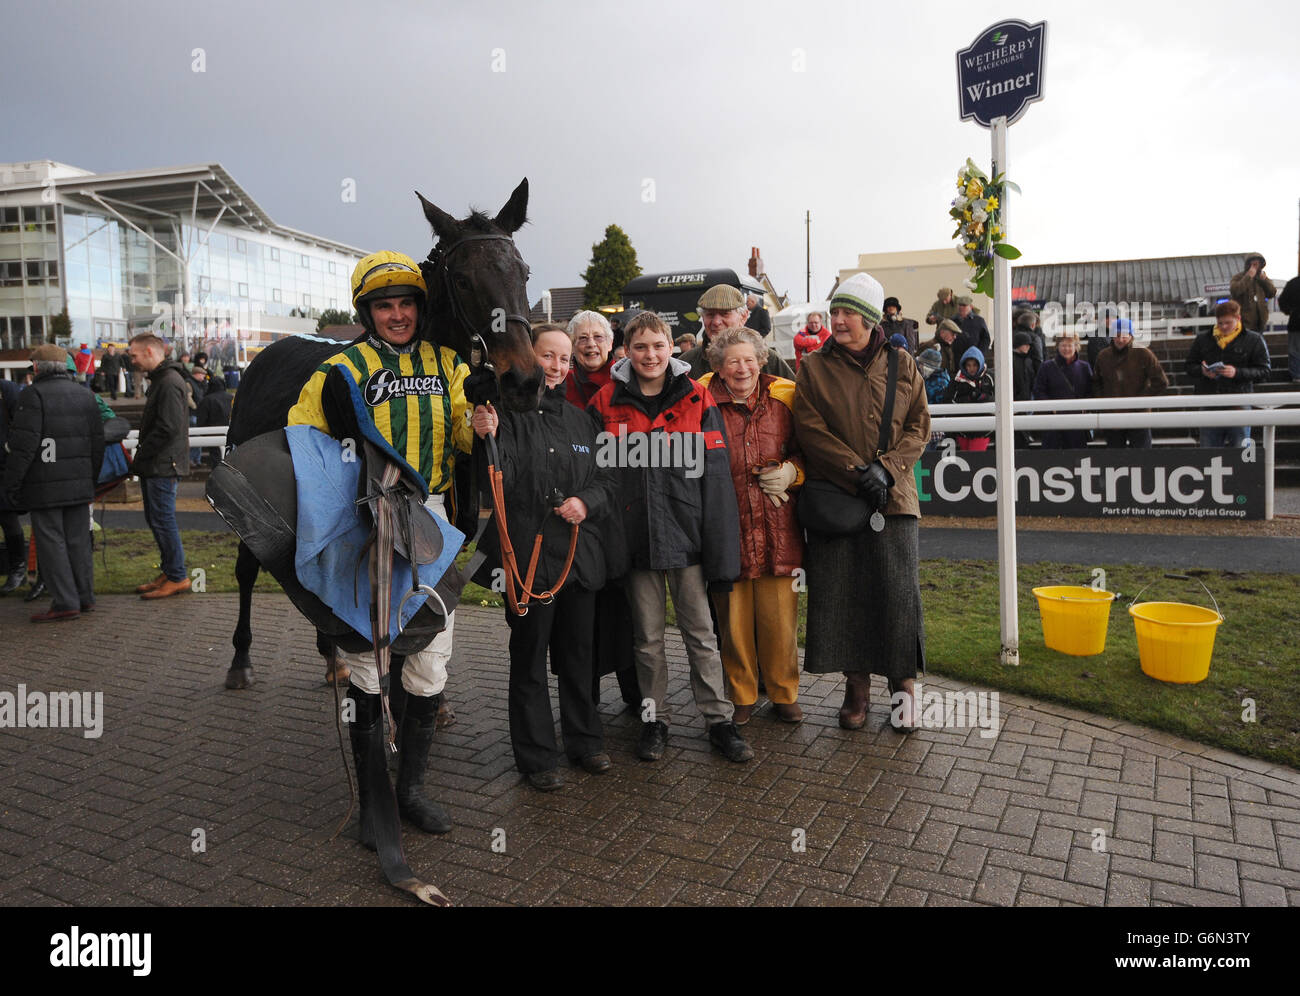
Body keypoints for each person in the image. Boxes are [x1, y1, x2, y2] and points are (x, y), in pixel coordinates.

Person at [288, 249, 472, 838]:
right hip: (365, 522)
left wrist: (482, 421)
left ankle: (411, 790)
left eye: (406, 304)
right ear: (367, 312)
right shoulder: (338, 370)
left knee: (430, 655)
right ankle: (373, 802)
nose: (397, 315)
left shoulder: (449, 364)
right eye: (385, 306)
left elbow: (466, 430)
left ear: (420, 308)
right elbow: (303, 443)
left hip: (432, 521)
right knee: (367, 659)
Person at [588, 311, 752, 763]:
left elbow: (716, 479)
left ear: (671, 348)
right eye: (640, 347)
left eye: (658, 346)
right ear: (626, 350)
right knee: (647, 639)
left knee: (701, 634)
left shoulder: (698, 397)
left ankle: (719, 721)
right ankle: (653, 720)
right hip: (634, 539)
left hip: (688, 537)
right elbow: (593, 474)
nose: (650, 355)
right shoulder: (606, 401)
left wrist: (720, 547)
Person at [471, 325, 615, 790]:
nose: (555, 367)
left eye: (563, 359)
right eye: (547, 357)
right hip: (530, 560)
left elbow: (607, 481)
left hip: (578, 559)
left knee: (579, 656)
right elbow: (496, 478)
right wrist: (485, 436)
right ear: (529, 358)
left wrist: (585, 502)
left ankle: (585, 741)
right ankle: (537, 758)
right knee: (529, 659)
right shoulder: (505, 418)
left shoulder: (582, 421)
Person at [794, 272, 929, 733]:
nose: (838, 319)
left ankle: (903, 688)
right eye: (835, 311)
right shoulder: (812, 368)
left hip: (896, 500)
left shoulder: (902, 363)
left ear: (871, 318)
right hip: (839, 498)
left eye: (848, 312)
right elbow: (810, 431)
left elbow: (919, 427)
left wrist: (887, 470)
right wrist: (858, 473)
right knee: (844, 594)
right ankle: (856, 687)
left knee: (898, 595)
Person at [699, 327, 805, 725]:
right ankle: (740, 693)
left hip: (780, 524)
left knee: (780, 619)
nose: (742, 368)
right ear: (719, 367)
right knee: (733, 620)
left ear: (762, 360)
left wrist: (795, 472)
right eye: (732, 361)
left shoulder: (786, 397)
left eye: (749, 359)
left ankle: (783, 692)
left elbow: (806, 449)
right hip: (729, 526)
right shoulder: (703, 402)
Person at [562, 309, 642, 713]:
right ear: (572, 345)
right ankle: (585, 702)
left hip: (623, 510)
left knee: (626, 608)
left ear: (612, 344)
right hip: (580, 511)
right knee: (584, 615)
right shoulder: (562, 386)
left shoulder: (628, 382)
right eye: (582, 339)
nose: (591, 345)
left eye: (598, 337)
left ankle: (638, 696)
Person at [2, 345, 104, 622]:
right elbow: (97, 443)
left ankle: (65, 603)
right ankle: (84, 597)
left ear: (37, 367)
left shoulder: (33, 395)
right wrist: (90, 479)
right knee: (78, 541)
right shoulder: (85, 395)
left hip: (44, 486)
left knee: (51, 543)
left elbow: (23, 447)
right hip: (80, 483)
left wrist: (11, 484)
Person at [127, 333, 192, 599]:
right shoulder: (163, 380)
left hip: (162, 464)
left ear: (150, 352)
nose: (131, 359)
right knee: (157, 520)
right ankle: (171, 571)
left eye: (134, 355)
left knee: (163, 521)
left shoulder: (168, 382)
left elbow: (167, 427)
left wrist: (141, 456)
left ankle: (177, 576)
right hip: (159, 463)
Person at [1184, 300, 1272, 447]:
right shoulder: (1203, 339)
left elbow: (1265, 371)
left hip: (1237, 401)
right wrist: (1202, 371)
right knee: (1212, 450)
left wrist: (1236, 373)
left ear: (1238, 319)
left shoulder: (1254, 339)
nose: (1223, 327)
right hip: (1211, 401)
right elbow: (1189, 365)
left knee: (1238, 450)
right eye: (1220, 323)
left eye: (1228, 323)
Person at [679, 284, 795, 380]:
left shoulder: (769, 360)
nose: (716, 322)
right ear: (703, 318)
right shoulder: (686, 364)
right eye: (710, 314)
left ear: (743, 317)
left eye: (725, 314)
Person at [1092, 318, 1168, 448]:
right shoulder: (1103, 356)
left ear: (1131, 335)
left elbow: (1161, 381)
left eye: (1124, 335)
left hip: (1139, 416)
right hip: (1113, 416)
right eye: (1117, 335)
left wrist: (1141, 400)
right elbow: (1096, 383)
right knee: (1115, 461)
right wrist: (1103, 403)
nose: (1120, 339)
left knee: (1142, 458)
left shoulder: (1143, 353)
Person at [1033, 333, 1093, 449]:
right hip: (1053, 423)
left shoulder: (1084, 367)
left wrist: (1085, 406)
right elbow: (1039, 390)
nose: (1066, 349)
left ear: (1076, 346)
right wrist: (1051, 407)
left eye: (1070, 345)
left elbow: (1090, 390)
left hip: (1077, 422)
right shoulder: (1046, 367)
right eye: (1063, 345)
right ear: (1057, 347)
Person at [1, 375, 29, 594]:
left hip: (4, 465)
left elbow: (21, 425)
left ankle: (18, 569)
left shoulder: (7, 390)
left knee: (7, 517)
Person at [944, 346, 994, 451]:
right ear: (964, 366)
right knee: (967, 458)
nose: (972, 368)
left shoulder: (989, 378)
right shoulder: (957, 381)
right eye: (969, 365)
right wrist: (968, 399)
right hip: (962, 429)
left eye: (975, 365)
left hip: (983, 429)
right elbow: (948, 401)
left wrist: (983, 398)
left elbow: (997, 399)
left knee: (976, 459)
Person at [1230, 254, 1276, 334]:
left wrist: (1264, 281)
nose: (1255, 266)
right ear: (1248, 264)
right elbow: (1235, 291)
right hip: (1244, 324)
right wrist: (1248, 277)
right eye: (1253, 264)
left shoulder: (1262, 277)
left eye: (1258, 264)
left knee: (1258, 345)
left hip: (1260, 323)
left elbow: (1272, 293)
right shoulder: (1238, 277)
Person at [195, 374, 233, 468]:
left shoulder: (207, 400)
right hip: (230, 432)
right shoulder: (231, 398)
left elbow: (201, 420)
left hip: (212, 434)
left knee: (216, 458)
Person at [1010, 331, 1040, 448]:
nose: (1028, 346)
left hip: (1025, 402)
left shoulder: (1027, 360)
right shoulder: (1015, 360)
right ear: (1018, 345)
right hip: (1017, 403)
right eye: (1025, 344)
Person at [1279, 276, 1300, 382]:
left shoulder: (1293, 283)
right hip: (1296, 321)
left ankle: (1296, 375)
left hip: (1296, 321)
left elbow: (1281, 300)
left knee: (1295, 350)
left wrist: (1289, 311)